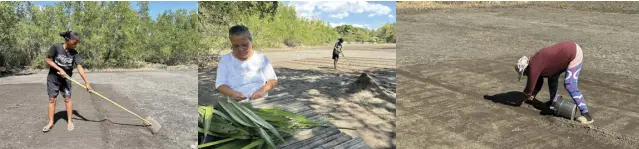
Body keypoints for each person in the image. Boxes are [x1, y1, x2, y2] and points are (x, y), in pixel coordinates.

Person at [515, 40, 593, 124]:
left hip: (574, 53)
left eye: (524, 73)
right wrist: (532, 96)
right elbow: (539, 83)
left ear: (526, 69)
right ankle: (553, 101)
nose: (526, 75)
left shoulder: (534, 68)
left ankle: (586, 115)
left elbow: (529, 89)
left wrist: (521, 101)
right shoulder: (534, 61)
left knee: (570, 85)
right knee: (552, 76)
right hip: (567, 50)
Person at [43, 30, 93, 132]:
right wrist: (60, 69)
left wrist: (87, 83)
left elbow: (80, 68)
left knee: (67, 99)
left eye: (77, 42)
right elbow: (48, 60)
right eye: (74, 42)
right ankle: (51, 123)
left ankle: (70, 121)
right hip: (53, 79)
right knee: (52, 99)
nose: (76, 44)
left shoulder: (74, 53)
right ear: (67, 40)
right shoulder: (56, 47)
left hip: (66, 80)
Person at [215, 25, 277, 102]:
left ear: (251, 41)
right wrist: (232, 93)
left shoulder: (261, 58)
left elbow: (272, 80)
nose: (240, 49)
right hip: (236, 105)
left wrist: (262, 91)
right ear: (231, 44)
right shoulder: (225, 60)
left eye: (245, 45)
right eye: (236, 46)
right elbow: (220, 85)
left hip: (260, 102)